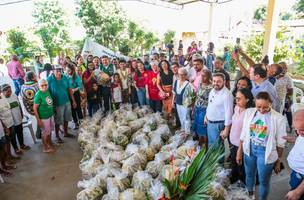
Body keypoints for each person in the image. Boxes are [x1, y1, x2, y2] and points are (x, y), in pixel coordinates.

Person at [236, 91, 286, 200]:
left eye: (265, 107)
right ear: (255, 103)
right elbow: (244, 134)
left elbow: (281, 143)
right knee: (249, 175)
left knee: (264, 180)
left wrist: (278, 161)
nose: (262, 110)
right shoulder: (249, 112)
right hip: (249, 149)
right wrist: (239, 151)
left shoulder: (279, 118)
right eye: (259, 107)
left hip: (266, 152)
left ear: (270, 104)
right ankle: (250, 196)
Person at [229, 88, 255, 184]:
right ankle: (234, 181)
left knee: (243, 168)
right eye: (236, 98)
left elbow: (245, 134)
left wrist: (240, 150)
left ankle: (244, 187)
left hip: (242, 146)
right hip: (233, 142)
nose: (236, 101)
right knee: (234, 165)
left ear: (247, 99)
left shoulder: (249, 113)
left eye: (239, 99)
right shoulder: (237, 108)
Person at [47, 66, 76, 143]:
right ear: (53, 71)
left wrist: (73, 101)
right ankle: (57, 136)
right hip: (57, 104)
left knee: (66, 118)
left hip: (67, 101)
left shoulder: (65, 77)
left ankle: (65, 133)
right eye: (57, 71)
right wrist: (50, 105)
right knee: (58, 120)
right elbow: (47, 92)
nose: (58, 72)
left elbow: (69, 89)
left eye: (60, 70)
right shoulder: (49, 79)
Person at [205, 73, 233, 146]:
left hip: (218, 125)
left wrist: (226, 130)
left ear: (224, 81)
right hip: (210, 122)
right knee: (211, 144)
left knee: (217, 148)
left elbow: (229, 113)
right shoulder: (212, 90)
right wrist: (206, 116)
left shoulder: (227, 95)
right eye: (214, 81)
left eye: (218, 81)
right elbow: (210, 104)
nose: (215, 83)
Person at [2, 84, 30, 155]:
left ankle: (22, 145)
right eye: (8, 91)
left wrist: (21, 113)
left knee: (20, 132)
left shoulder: (14, 95)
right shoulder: (3, 100)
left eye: (10, 90)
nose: (10, 92)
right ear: (3, 92)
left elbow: (19, 104)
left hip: (18, 117)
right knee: (12, 136)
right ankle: (16, 149)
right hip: (10, 122)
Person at [284, 109, 304, 200]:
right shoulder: (301, 134)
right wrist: (293, 139)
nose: (299, 133)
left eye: (302, 130)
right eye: (296, 129)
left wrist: (298, 192)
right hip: (296, 174)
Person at [33, 79, 55, 153]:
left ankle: (50, 142)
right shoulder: (38, 95)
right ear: (39, 86)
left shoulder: (47, 91)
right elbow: (34, 109)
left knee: (50, 130)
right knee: (45, 132)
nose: (44, 86)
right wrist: (38, 120)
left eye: (45, 85)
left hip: (50, 115)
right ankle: (45, 148)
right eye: (42, 85)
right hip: (44, 117)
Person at [192, 69, 213, 146]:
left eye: (205, 76)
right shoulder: (200, 84)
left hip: (204, 110)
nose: (203, 77)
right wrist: (194, 108)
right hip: (197, 108)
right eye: (202, 75)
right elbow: (197, 96)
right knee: (197, 126)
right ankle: (200, 141)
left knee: (204, 127)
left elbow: (211, 102)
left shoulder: (211, 87)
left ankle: (206, 144)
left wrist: (207, 114)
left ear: (209, 76)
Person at [172, 67, 194, 134]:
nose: (181, 76)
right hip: (178, 103)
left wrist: (191, 105)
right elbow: (174, 93)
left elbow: (192, 96)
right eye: (180, 74)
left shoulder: (189, 84)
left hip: (185, 104)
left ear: (186, 75)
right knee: (181, 116)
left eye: (183, 74)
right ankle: (183, 128)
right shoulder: (176, 82)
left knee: (186, 118)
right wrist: (172, 101)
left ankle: (187, 132)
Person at [66, 63, 83, 129]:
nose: (68, 72)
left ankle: (81, 122)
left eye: (69, 70)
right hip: (68, 94)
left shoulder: (76, 77)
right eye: (67, 70)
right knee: (72, 110)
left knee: (78, 108)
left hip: (75, 94)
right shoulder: (65, 76)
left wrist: (74, 90)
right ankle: (76, 123)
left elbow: (80, 86)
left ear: (72, 70)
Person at [171, 62, 181, 128]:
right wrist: (173, 100)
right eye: (172, 68)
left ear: (178, 67)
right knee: (177, 112)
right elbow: (174, 88)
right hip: (176, 96)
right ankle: (178, 125)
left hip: (182, 97)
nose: (174, 69)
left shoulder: (182, 75)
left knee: (183, 114)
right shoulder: (174, 76)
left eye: (175, 67)